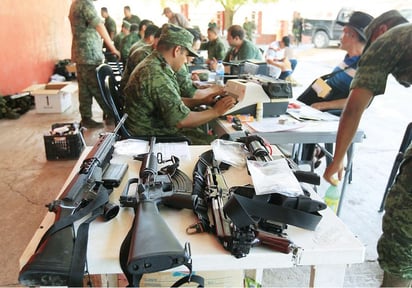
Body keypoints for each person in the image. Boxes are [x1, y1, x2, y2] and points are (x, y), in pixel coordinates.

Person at [322, 10, 410, 287]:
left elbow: (354, 107)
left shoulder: (389, 39)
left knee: (402, 236)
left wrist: (336, 160)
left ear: (380, 30)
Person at [123, 24, 236, 145]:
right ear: (177, 50)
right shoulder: (155, 73)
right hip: (150, 134)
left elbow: (172, 101)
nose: (186, 61)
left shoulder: (156, 64)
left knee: (202, 131)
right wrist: (216, 111)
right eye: (186, 55)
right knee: (214, 143)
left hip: (152, 126)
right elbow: (181, 120)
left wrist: (202, 101)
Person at [299, 11, 373, 167]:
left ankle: (307, 158)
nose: (340, 36)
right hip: (322, 105)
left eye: (344, 32)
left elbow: (361, 104)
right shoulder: (347, 59)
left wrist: (323, 105)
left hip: (339, 114)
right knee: (297, 110)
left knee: (307, 117)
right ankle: (309, 155)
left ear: (352, 35)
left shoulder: (366, 67)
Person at [69, 0, 120, 128]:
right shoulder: (86, 4)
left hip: (80, 53)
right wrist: (112, 48)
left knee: (85, 87)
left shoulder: (75, 4)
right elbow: (99, 25)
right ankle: (111, 115)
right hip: (89, 53)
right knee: (97, 86)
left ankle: (86, 117)